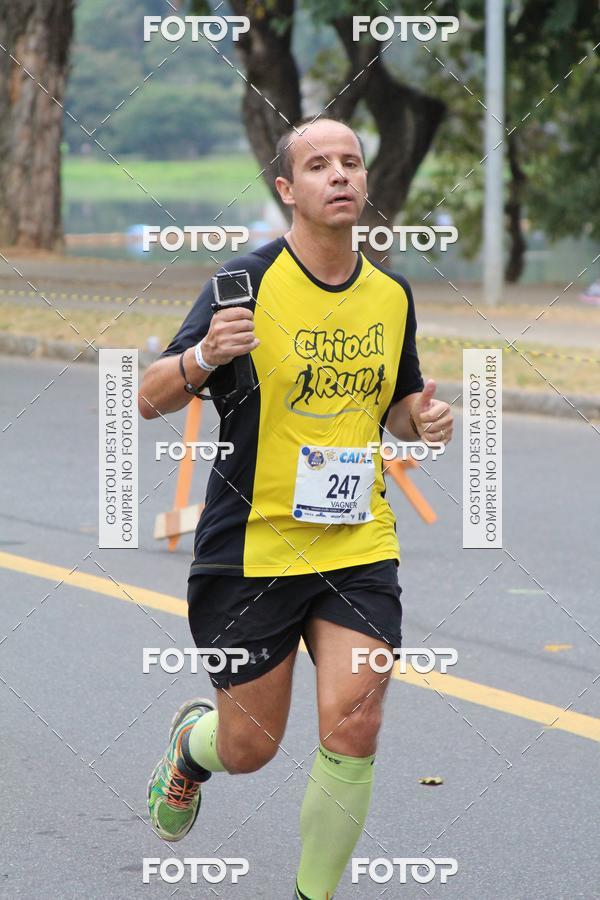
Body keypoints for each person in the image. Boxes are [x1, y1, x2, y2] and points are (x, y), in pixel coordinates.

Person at [138, 115, 453, 899]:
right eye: (319, 165)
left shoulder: (390, 294)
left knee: (356, 724)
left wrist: (425, 420)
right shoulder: (243, 285)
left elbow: (399, 405)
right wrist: (206, 354)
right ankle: (191, 749)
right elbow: (149, 398)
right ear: (288, 190)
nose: (340, 174)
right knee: (252, 747)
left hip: (357, 542)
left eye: (351, 162)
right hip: (253, 547)